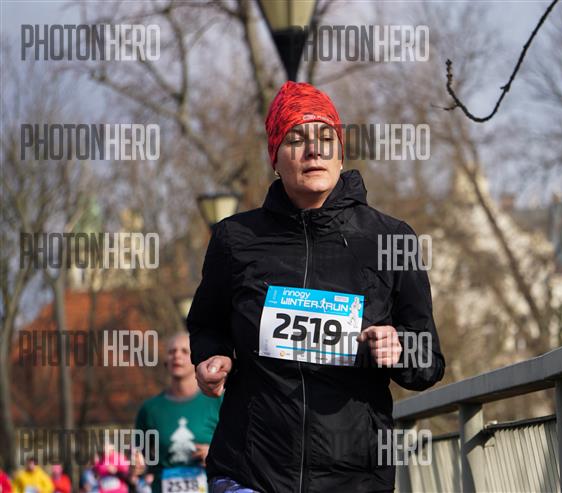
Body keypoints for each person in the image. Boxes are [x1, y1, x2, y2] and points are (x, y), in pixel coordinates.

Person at [187, 81, 445, 493]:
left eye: (326, 138)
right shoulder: (235, 239)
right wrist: (211, 356)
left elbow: (428, 360)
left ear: (341, 154)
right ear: (275, 157)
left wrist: (399, 349)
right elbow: (206, 324)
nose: (314, 151)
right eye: (296, 140)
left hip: (354, 477)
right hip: (251, 470)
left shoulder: (390, 238)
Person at [135, 332, 221, 493]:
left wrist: (215, 454)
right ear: (165, 361)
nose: (177, 356)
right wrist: (136, 465)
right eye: (171, 351)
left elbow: (239, 449)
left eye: (184, 351)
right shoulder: (150, 409)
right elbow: (140, 457)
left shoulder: (217, 401)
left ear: (197, 358)